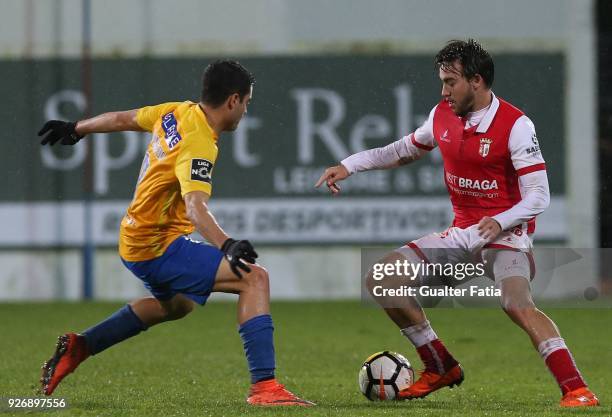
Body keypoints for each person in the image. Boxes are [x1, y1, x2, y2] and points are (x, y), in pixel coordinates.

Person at [316, 39, 599, 408]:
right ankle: (440, 365)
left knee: (516, 303)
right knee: (382, 278)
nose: (444, 91)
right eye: (443, 82)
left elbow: (538, 196)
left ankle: (576, 389)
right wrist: (350, 165)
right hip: (462, 235)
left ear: (477, 81)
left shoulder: (516, 125)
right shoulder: (441, 116)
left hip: (506, 238)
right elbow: (402, 151)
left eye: (451, 82)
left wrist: (499, 222)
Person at [38, 59, 313, 407]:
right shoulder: (199, 142)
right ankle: (265, 388)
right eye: (246, 103)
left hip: (134, 240)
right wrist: (226, 244)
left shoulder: (176, 112)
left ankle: (82, 346)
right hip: (157, 245)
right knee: (254, 279)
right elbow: (196, 206)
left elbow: (123, 118)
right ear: (232, 100)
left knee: (177, 306)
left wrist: (77, 128)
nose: (245, 111)